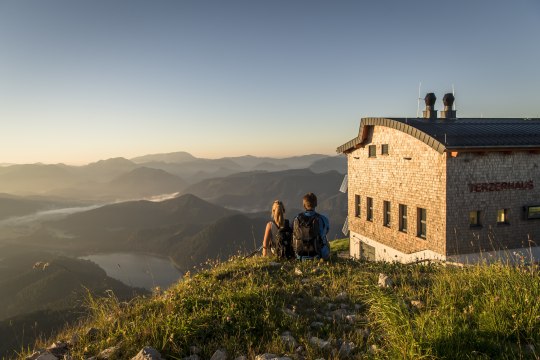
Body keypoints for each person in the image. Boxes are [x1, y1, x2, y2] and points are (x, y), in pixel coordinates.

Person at [292, 192, 330, 260]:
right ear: (316, 204)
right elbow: (325, 232)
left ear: (304, 205)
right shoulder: (322, 219)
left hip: (300, 256)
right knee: (326, 242)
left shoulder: (297, 219)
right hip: (317, 255)